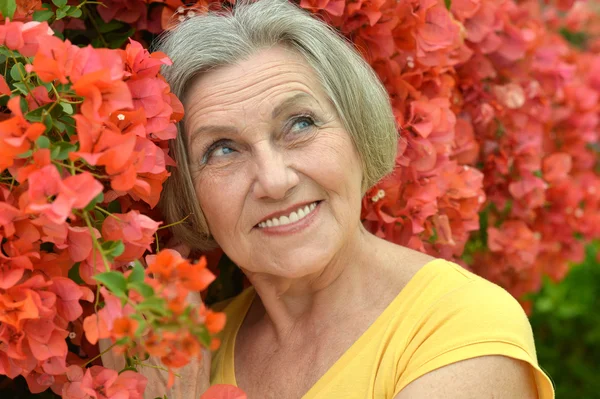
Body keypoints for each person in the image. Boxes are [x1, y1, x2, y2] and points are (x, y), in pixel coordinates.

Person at [104, 0, 556, 397]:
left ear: (358, 133)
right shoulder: (191, 350)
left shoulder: (459, 323)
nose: (275, 181)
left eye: (300, 124)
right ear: (191, 194)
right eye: (222, 149)